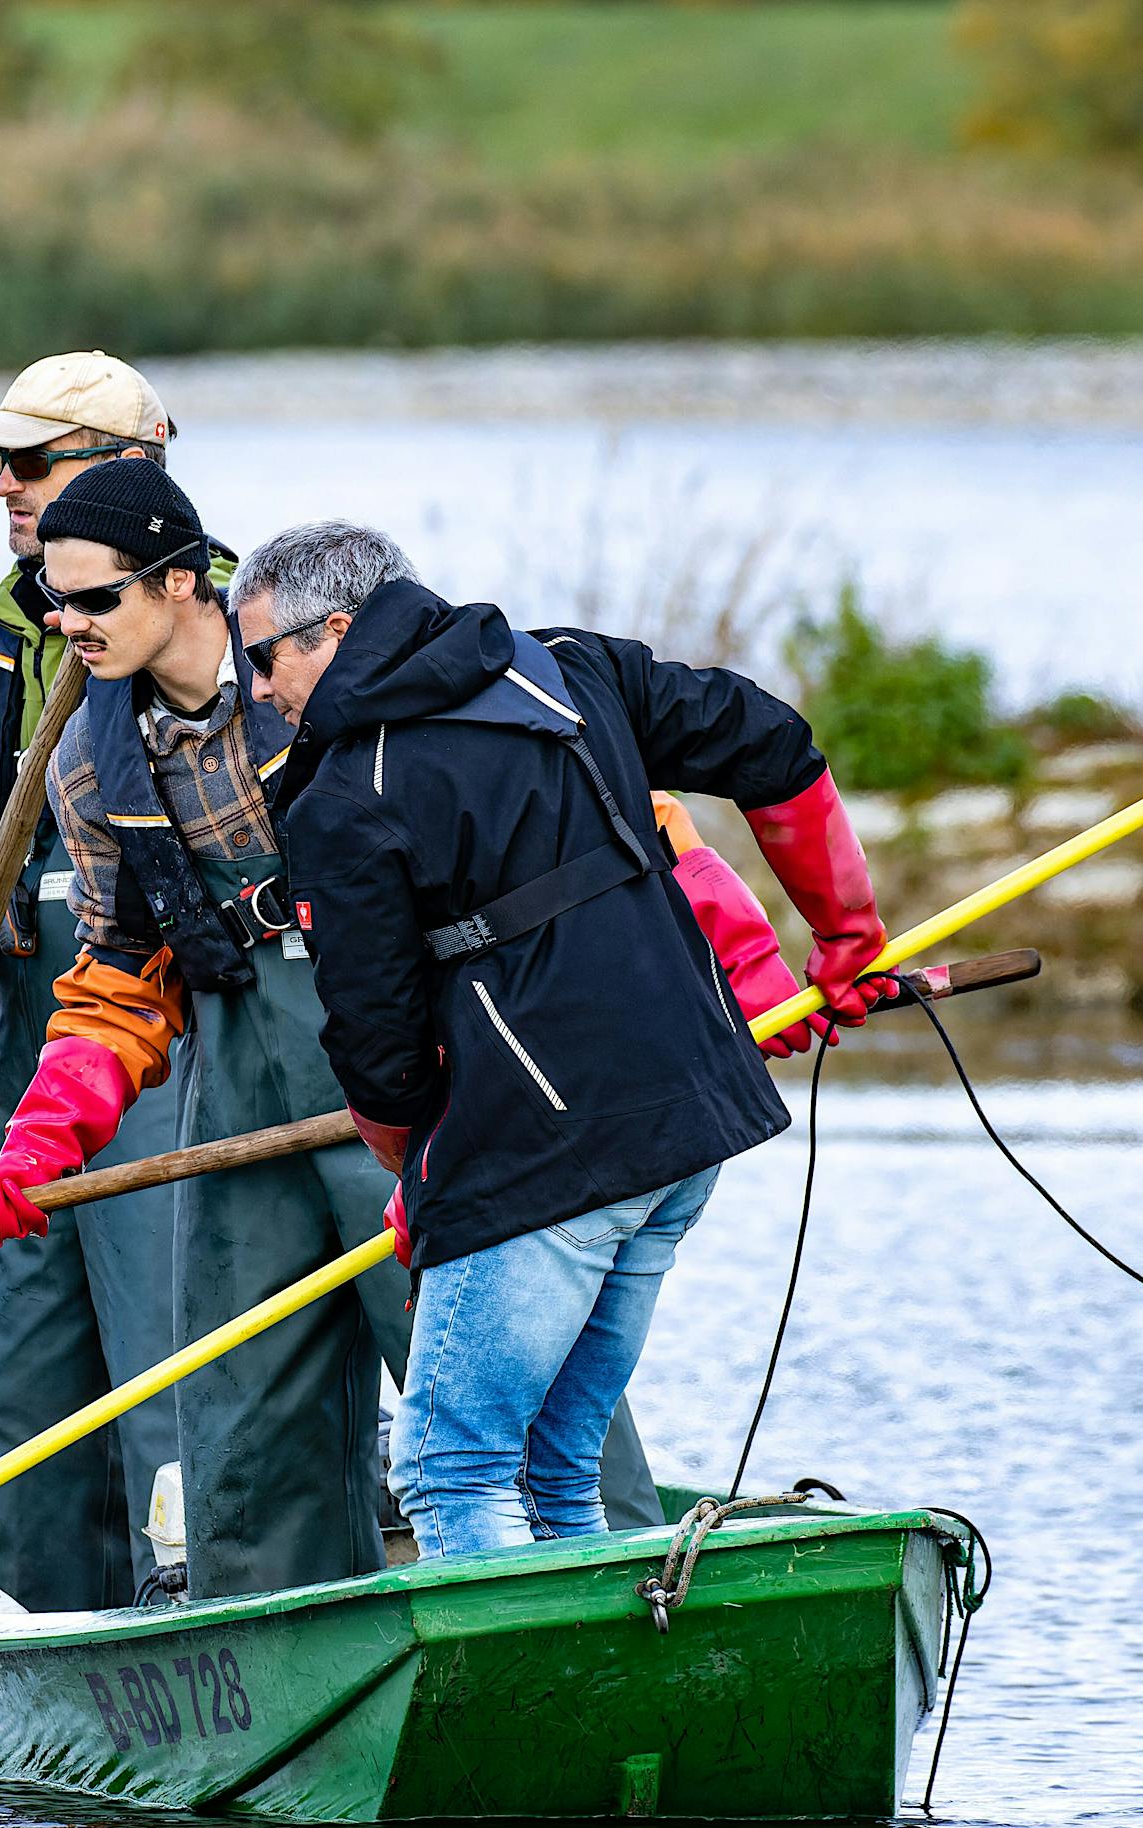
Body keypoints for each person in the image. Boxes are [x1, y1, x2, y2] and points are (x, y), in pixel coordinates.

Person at [0, 464, 702, 1595]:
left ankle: (623, 1597)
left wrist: (727, 964)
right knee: (242, 1409)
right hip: (234, 1076)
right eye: (54, 602)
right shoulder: (90, 759)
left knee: (506, 1388)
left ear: (182, 583)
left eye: (93, 600)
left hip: (419, 1077)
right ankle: (276, 1647)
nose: (68, 625)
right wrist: (38, 1143)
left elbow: (601, 828)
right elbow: (114, 978)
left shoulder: (328, 679)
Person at [241, 518, 890, 1559]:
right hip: (688, 1128)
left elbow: (375, 1042)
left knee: (449, 1466)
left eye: (263, 656)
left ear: (337, 631)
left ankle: (513, 1717)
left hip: (548, 1156)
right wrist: (847, 937)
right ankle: (592, 1698)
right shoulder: (569, 666)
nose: (259, 689)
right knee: (553, 1457)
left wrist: (418, 1175)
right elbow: (772, 741)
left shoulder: (342, 795)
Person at [0, 352, 216, 1612]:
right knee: (23, 1313)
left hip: (166, 1030)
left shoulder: (201, 613)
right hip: (33, 1023)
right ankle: (30, 1602)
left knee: (164, 1320)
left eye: (33, 461)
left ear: (132, 460)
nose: (6, 489)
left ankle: (184, 1588)